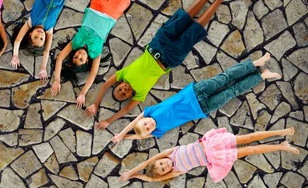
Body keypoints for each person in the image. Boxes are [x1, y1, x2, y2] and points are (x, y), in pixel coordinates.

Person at [89, 0, 231, 125]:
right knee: (196, 28)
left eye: (120, 90)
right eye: (124, 94)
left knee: (185, 16)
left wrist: (96, 104)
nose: (124, 90)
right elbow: (125, 111)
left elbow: (104, 85)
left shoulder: (122, 75)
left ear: (118, 84)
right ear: (130, 96)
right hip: (170, 57)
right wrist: (109, 121)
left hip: (157, 43)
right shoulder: (140, 94)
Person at [111, 54, 280, 142]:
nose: (149, 125)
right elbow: (140, 134)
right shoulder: (158, 131)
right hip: (203, 108)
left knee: (226, 77)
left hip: (194, 92)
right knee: (232, 91)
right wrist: (126, 138)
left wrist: (121, 133)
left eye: (146, 124)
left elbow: (136, 121)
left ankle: (256, 63)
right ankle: (262, 76)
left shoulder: (150, 113)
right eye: (148, 128)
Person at [119, 127, 297, 183]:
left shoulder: (170, 153)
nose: (164, 166)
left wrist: (131, 171)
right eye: (163, 170)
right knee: (250, 150)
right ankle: (282, 146)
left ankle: (280, 132)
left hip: (213, 143)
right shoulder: (178, 170)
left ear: (160, 159)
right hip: (214, 157)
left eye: (161, 164)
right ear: (166, 174)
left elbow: (148, 161)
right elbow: (152, 179)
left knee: (248, 138)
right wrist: (136, 176)